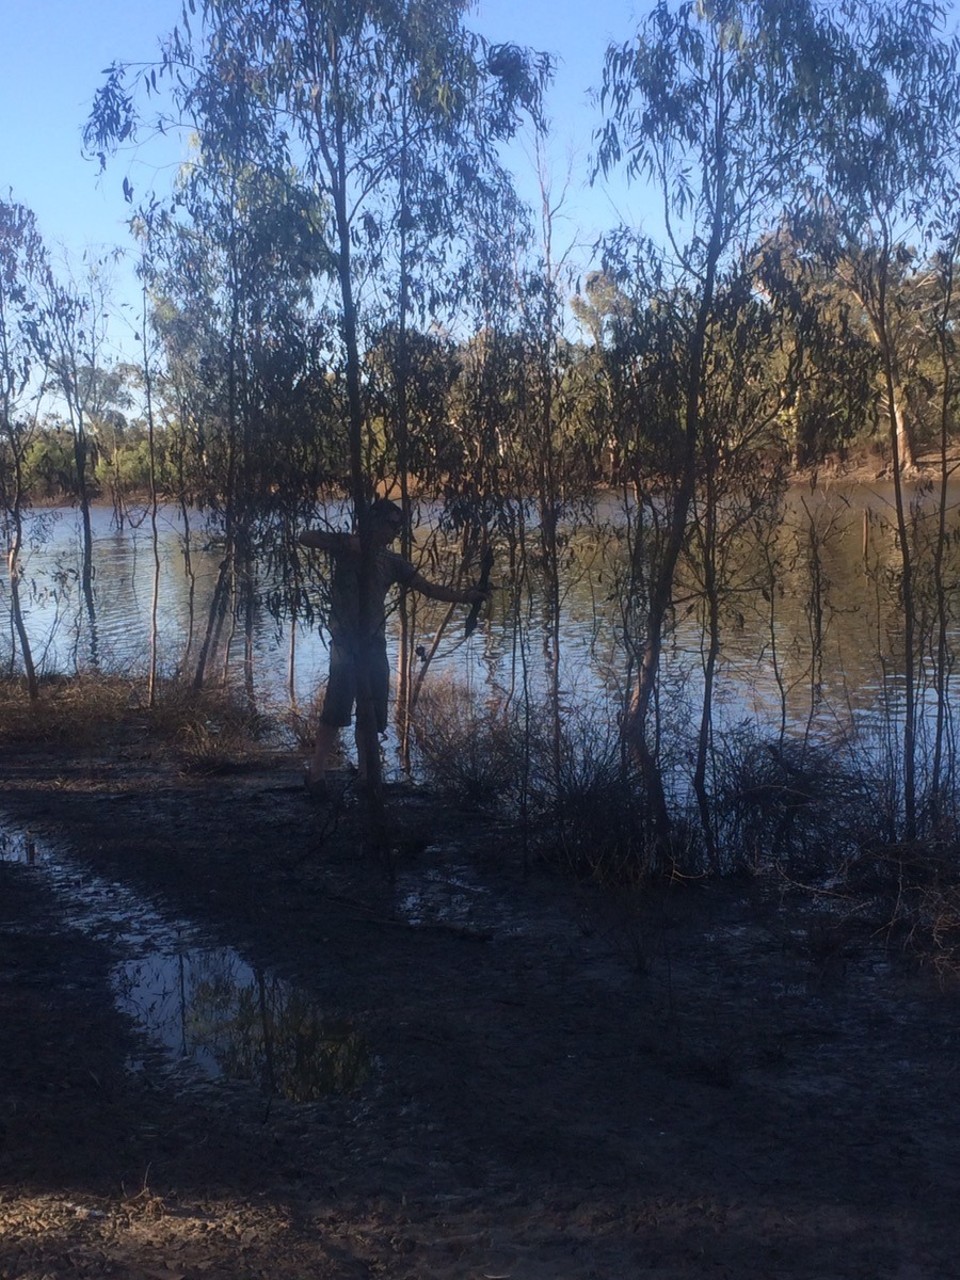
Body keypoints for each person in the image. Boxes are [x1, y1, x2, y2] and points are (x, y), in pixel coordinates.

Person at [299, 497, 488, 787]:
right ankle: (317, 772)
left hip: (374, 644)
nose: (393, 533)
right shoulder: (346, 545)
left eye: (397, 529)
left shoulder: (391, 561)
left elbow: (427, 588)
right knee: (335, 708)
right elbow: (305, 537)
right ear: (372, 522)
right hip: (346, 642)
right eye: (390, 525)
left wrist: (465, 597)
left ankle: (366, 775)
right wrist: (348, 543)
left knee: (371, 713)